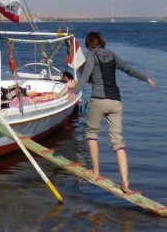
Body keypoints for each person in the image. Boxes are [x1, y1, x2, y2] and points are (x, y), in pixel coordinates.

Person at [67, 31, 156, 194]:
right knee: (118, 142)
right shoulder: (113, 55)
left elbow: (84, 78)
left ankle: (95, 171)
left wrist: (73, 93)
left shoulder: (92, 56)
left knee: (91, 133)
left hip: (99, 100)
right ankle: (125, 183)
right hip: (116, 102)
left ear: (89, 45)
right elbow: (129, 70)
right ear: (101, 42)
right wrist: (146, 79)